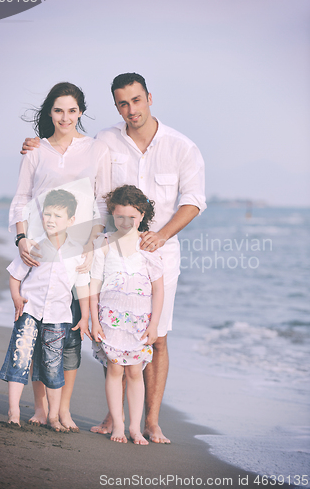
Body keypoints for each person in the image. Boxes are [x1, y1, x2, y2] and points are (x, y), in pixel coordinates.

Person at [21, 72, 206, 443]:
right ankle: (113, 417)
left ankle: (151, 421)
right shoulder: (104, 140)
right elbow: (69, 147)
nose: (130, 109)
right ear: (115, 105)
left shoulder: (181, 147)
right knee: (111, 337)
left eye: (136, 100)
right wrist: (36, 144)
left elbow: (193, 201)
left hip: (157, 256)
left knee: (156, 337)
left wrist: (161, 234)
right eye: (122, 103)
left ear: (149, 97)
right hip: (108, 257)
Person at [12, 82, 111, 431]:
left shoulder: (97, 149)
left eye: (71, 110)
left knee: (68, 333)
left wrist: (91, 244)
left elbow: (102, 201)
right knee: (38, 329)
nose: (65, 117)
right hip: (40, 249)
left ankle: (63, 410)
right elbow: (22, 197)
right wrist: (21, 238)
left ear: (80, 112)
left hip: (79, 254)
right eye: (58, 110)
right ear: (49, 112)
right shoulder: (36, 150)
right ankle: (41, 408)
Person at [0, 190, 90, 430]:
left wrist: (86, 318)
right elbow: (15, 275)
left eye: (58, 216)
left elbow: (82, 288)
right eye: (47, 214)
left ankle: (53, 416)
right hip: (29, 311)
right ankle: (14, 411)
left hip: (58, 318)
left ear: (71, 221)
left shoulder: (77, 252)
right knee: (20, 358)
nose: (50, 220)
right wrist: (16, 297)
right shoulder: (33, 245)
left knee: (52, 365)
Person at [90, 185, 164, 444]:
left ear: (141, 215)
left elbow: (158, 289)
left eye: (131, 217)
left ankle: (135, 427)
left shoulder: (148, 247)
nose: (125, 221)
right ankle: (118, 426)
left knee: (135, 372)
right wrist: (94, 320)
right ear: (112, 214)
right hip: (109, 319)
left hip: (140, 321)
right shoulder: (104, 243)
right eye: (119, 216)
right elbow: (94, 285)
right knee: (114, 369)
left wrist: (154, 325)